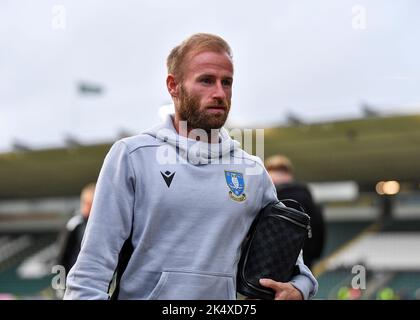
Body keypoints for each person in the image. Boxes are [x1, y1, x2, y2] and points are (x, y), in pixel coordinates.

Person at [64, 33, 318, 300]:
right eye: (207, 81)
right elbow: (90, 271)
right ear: (174, 86)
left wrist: (298, 290)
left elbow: (296, 267)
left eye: (227, 82)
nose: (219, 93)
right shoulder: (132, 156)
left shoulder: (251, 171)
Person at [265, 155, 325, 270]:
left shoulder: (267, 198)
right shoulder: (307, 198)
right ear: (289, 174)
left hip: (269, 266)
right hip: (303, 267)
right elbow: (319, 234)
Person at [57, 183, 96, 275]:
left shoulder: (102, 224)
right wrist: (60, 286)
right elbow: (61, 258)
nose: (90, 207)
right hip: (75, 279)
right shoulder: (74, 224)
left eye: (92, 204)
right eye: (87, 203)